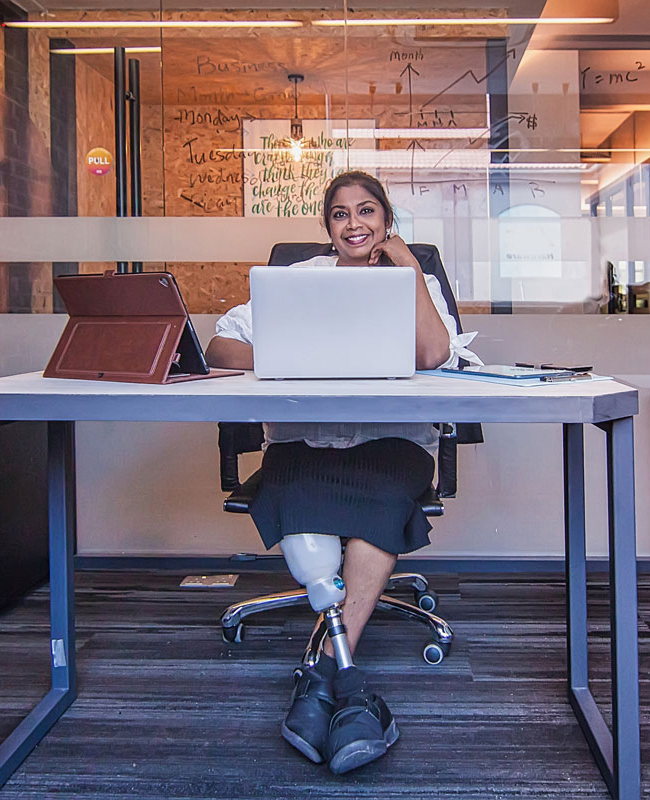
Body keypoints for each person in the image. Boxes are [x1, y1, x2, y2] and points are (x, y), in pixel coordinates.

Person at [204, 171, 477, 774]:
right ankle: (344, 690)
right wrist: (295, 360)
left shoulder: (415, 279)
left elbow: (433, 355)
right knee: (297, 493)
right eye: (339, 214)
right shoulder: (298, 281)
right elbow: (221, 348)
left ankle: (321, 677)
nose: (354, 224)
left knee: (379, 503)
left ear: (386, 221)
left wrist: (404, 264)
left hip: (390, 445)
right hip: (306, 443)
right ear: (326, 227)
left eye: (368, 211)